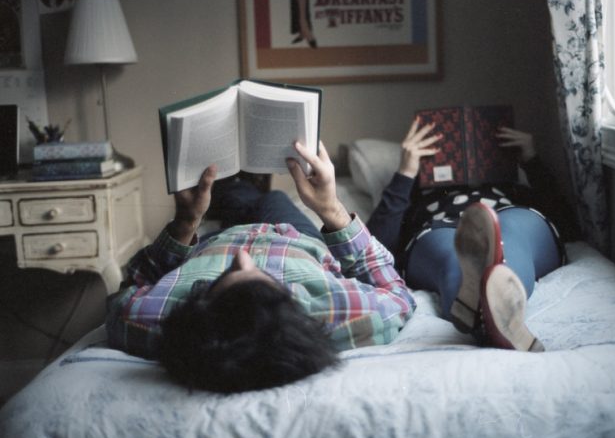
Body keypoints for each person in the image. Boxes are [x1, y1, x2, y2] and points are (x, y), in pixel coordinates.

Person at [106, 141, 415, 393]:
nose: (242, 258)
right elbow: (397, 292)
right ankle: (247, 188)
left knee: (235, 199)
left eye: (225, 276)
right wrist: (330, 208)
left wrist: (186, 222)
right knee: (275, 197)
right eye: (264, 279)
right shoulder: (343, 314)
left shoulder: (155, 320)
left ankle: (234, 186)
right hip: (294, 237)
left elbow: (133, 282)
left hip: (214, 241)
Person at [366, 119, 580, 352]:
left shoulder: (512, 187)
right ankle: (498, 315)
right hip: (440, 226)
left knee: (509, 232)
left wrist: (530, 160)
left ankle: (477, 311)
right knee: (451, 251)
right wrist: (406, 173)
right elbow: (374, 246)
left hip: (507, 215)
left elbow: (570, 227)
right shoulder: (418, 196)